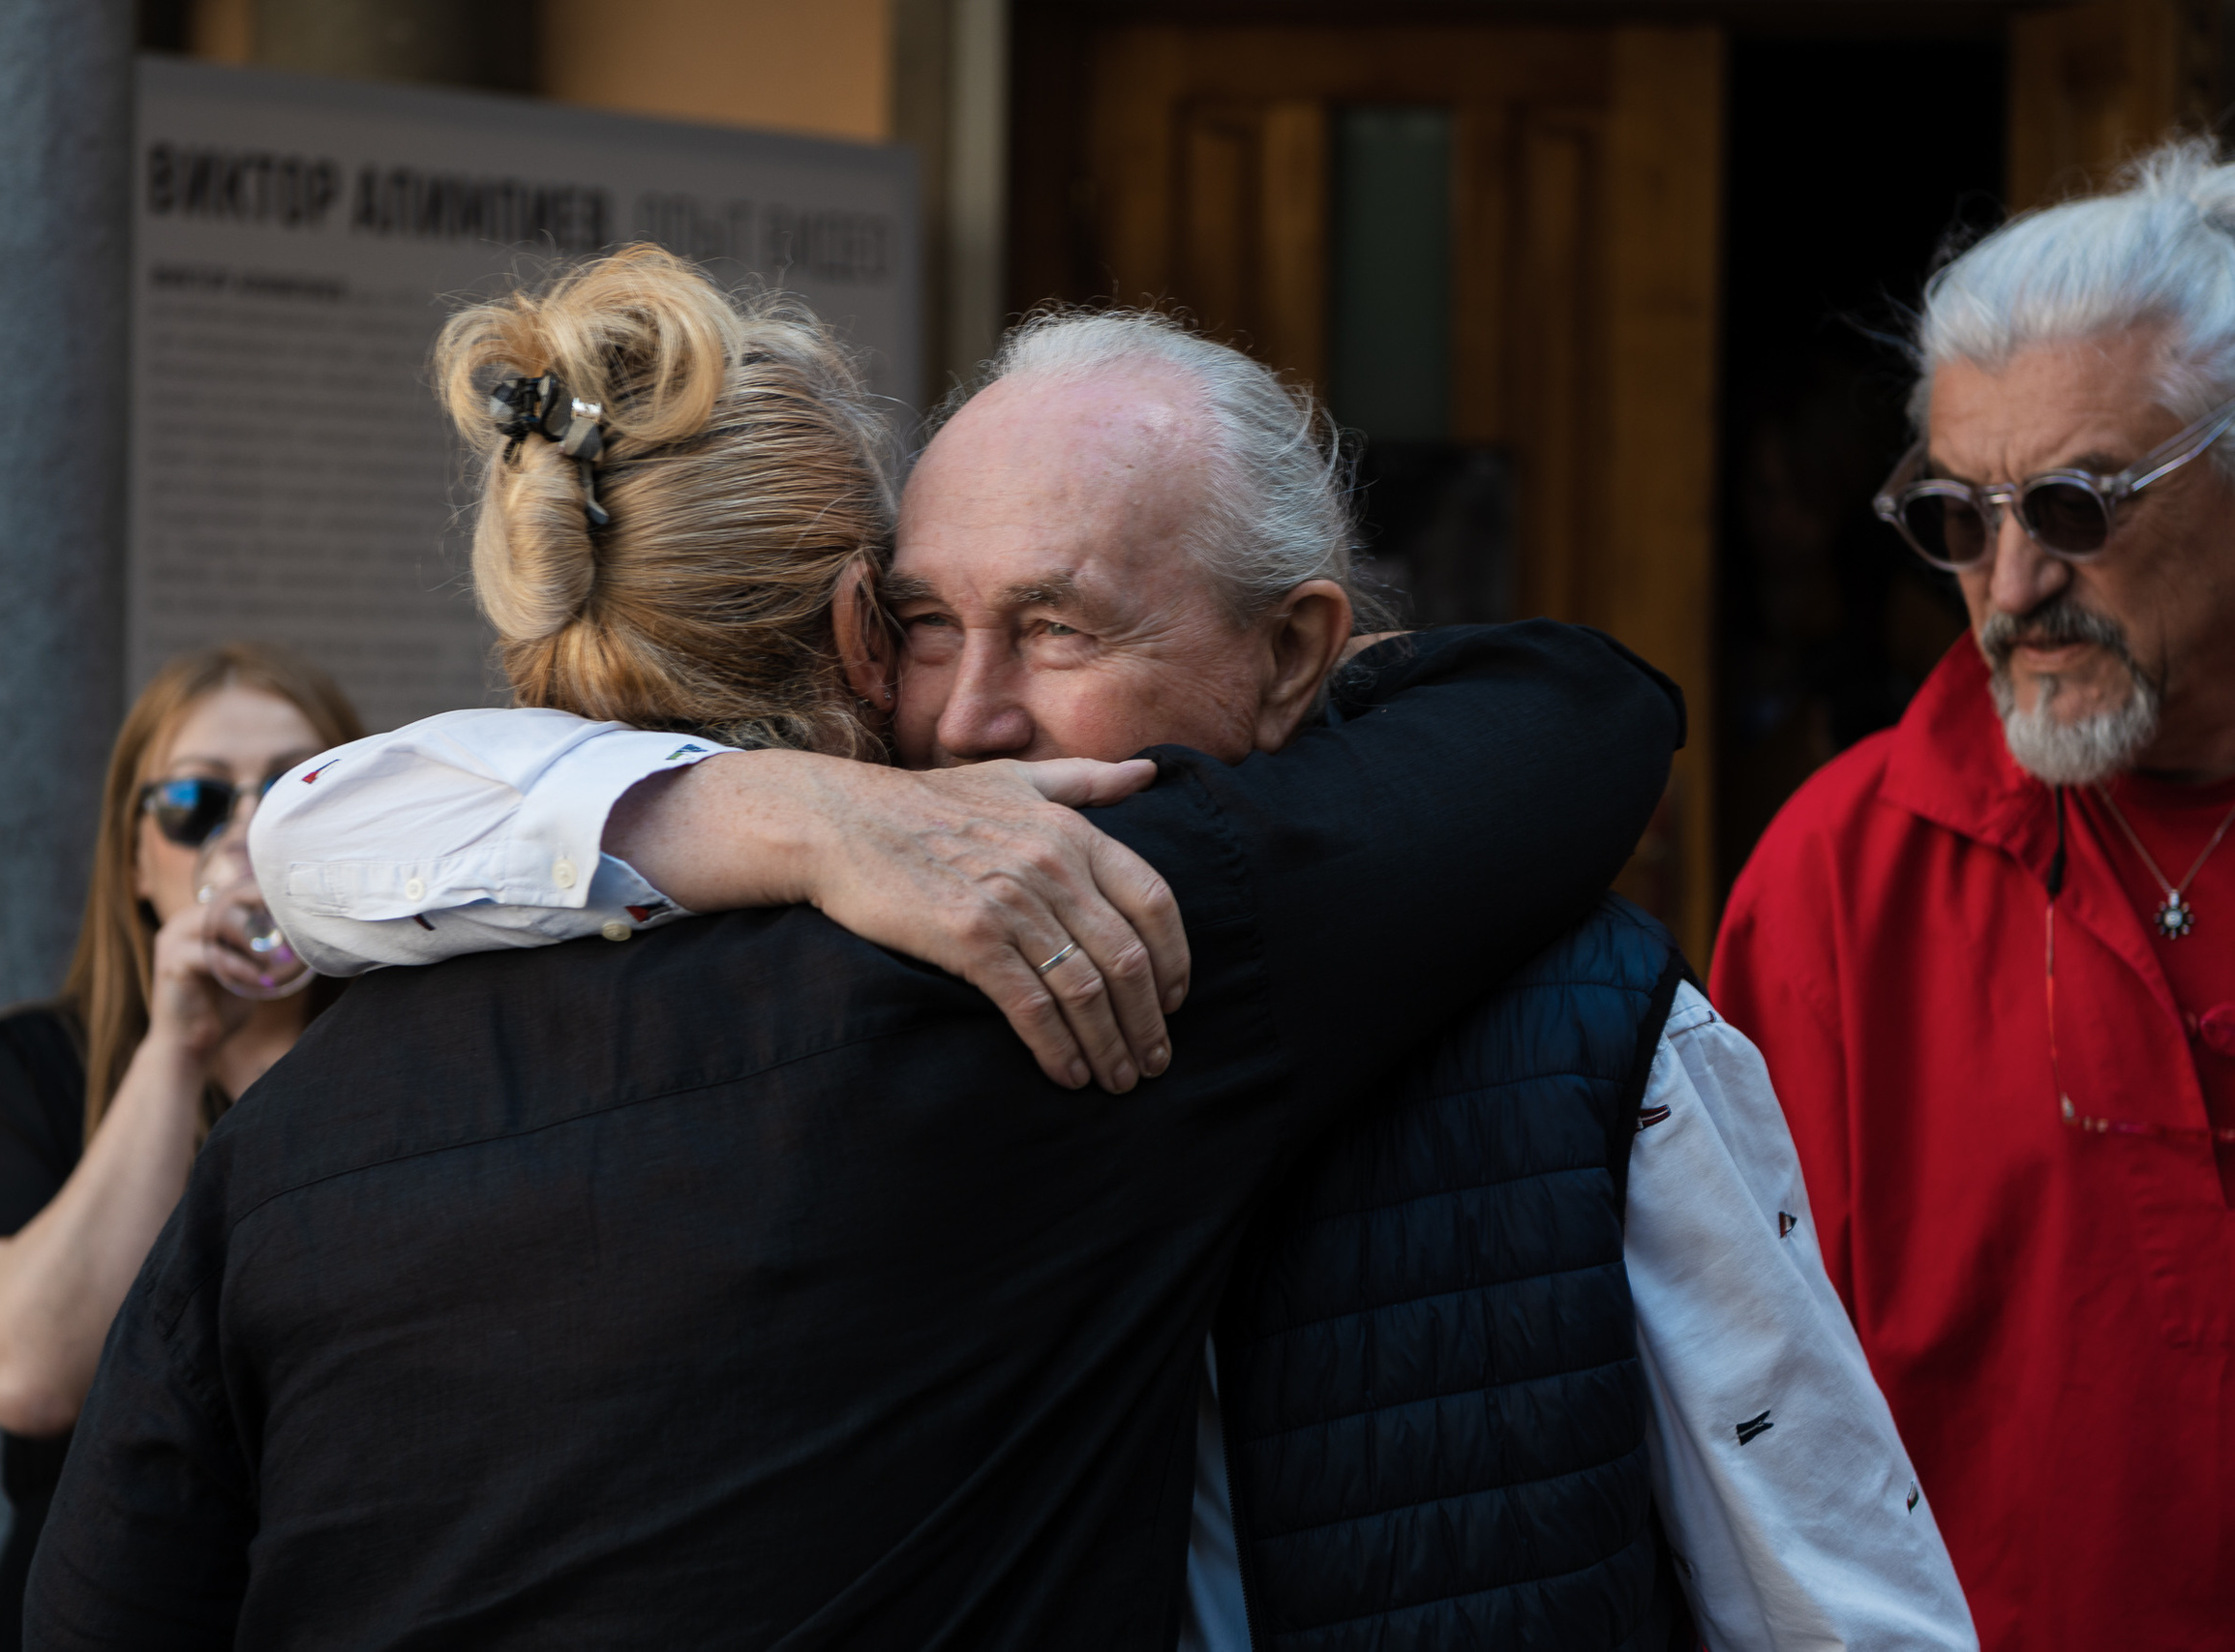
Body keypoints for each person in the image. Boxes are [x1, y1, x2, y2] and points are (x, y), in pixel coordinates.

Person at [254, 274, 1971, 1643]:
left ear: (1297, 654)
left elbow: (1836, 1598)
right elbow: (317, 840)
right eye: (927, 625)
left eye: (1062, 627)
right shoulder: (822, 987)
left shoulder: (1584, 1025)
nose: (973, 715)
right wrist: (791, 815)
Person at [1712, 137, 2235, 1649]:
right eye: (1960, 517)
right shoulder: (1838, 872)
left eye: (2075, 505)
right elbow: (1745, 1422)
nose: (2010, 587)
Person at [0, 643, 362, 1652]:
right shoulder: (27, 1070)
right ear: (138, 855)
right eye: (195, 801)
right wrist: (177, 1047)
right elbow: (28, 1376)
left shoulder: (418, 1055)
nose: (244, 835)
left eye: (293, 791)